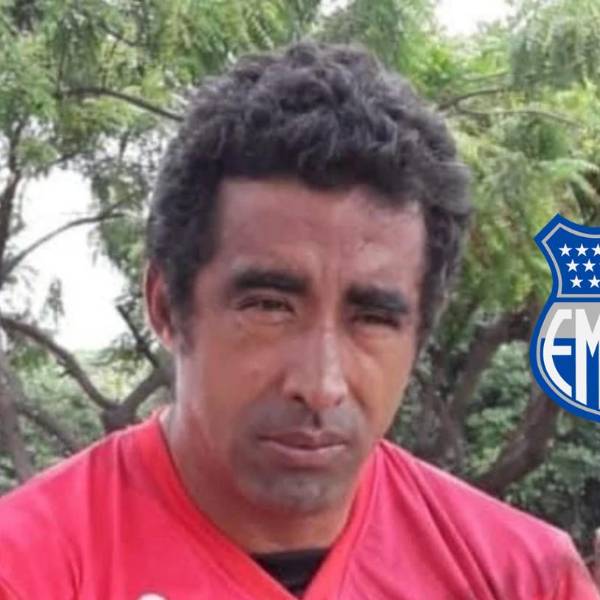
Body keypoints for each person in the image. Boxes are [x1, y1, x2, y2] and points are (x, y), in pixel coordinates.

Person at [0, 41, 597, 600]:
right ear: (165, 307)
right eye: (269, 307)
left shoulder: (523, 577)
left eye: (373, 318)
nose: (320, 385)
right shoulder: (29, 568)